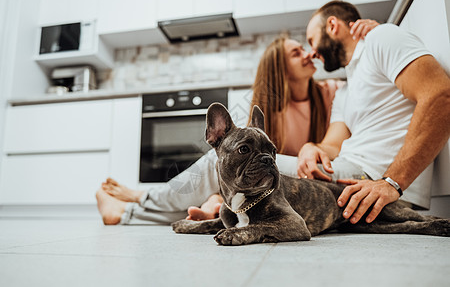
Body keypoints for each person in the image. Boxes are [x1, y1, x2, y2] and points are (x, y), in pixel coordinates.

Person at [96, 20, 378, 225]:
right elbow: (243, 168)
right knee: (225, 167)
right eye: (296, 52)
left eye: (306, 49)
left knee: (212, 163)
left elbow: (362, 73)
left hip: (307, 180)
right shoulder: (266, 108)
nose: (308, 54)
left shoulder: (333, 91)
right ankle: (213, 207)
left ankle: (138, 202)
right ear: (278, 67)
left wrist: (370, 35)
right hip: (270, 187)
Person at [296, 0, 450, 225]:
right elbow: (333, 146)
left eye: (311, 40)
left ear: (332, 25)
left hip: (369, 177)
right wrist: (312, 148)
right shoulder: (344, 91)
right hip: (347, 171)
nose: (312, 52)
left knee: (238, 171)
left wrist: (391, 183)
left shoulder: (380, 38)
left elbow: (440, 96)